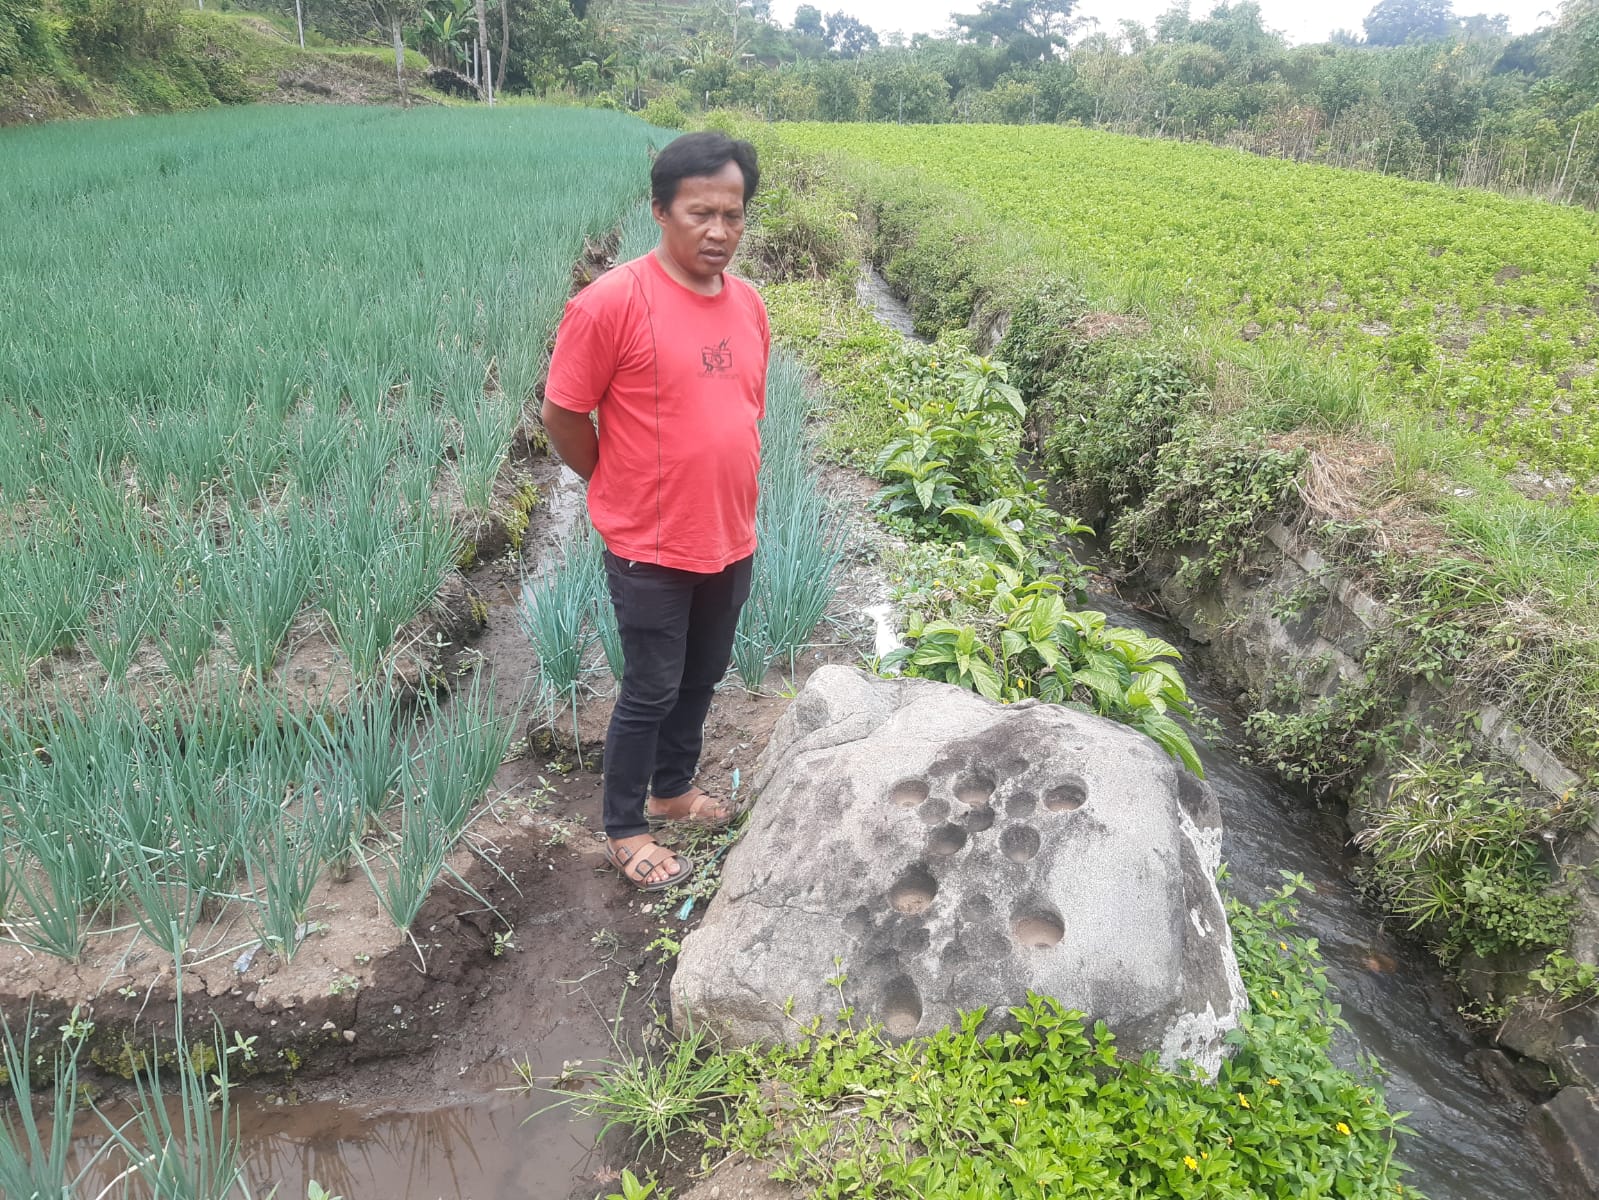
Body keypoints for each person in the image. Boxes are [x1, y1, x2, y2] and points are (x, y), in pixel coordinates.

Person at [540, 131, 769, 892]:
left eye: (732, 215)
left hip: (729, 532)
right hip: (651, 542)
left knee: (701, 676)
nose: (718, 231)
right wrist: (613, 480)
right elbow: (563, 412)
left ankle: (671, 790)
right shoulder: (612, 300)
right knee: (650, 686)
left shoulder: (747, 303)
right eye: (700, 212)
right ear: (659, 212)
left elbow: (742, 410)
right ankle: (624, 825)